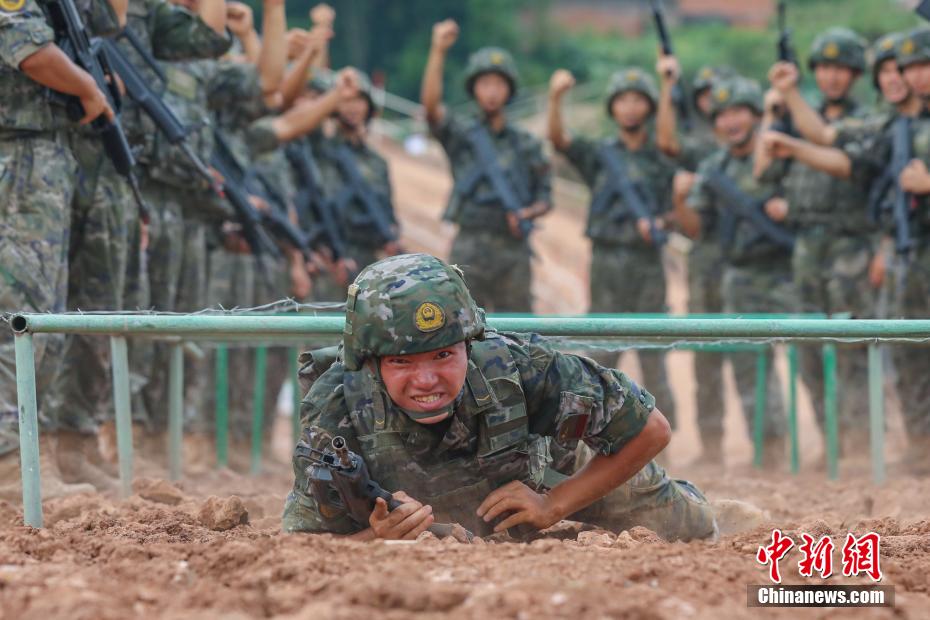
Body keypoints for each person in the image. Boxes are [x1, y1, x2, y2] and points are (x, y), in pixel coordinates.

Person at [282, 253, 717, 542]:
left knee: (694, 527)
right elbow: (302, 543)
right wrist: (377, 538)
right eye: (402, 362)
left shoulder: (519, 364)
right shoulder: (336, 404)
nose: (427, 379)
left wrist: (554, 506)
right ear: (371, 362)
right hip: (444, 528)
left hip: (556, 473)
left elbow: (651, 429)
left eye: (443, 354)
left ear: (470, 346)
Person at [762, 28, 930, 472]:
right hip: (869, 251)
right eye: (896, 70)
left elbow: (842, 157)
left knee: (864, 350)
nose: (903, 78)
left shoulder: (892, 124)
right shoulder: (891, 126)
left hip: (866, 249)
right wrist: (786, 120)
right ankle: (860, 444)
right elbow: (828, 146)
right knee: (881, 352)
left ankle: (868, 443)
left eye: (911, 68)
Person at [0, 0, 118, 499]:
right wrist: (87, 85)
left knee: (43, 323)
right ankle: (8, 465)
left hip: (46, 159)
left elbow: (113, 21)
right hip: (17, 156)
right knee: (15, 315)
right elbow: (26, 48)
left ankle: (28, 457)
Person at [754, 28, 875, 456]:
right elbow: (761, 171)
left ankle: (861, 441)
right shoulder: (794, 118)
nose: (831, 77)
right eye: (823, 68)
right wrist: (772, 113)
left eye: (840, 68)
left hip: (850, 249)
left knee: (851, 348)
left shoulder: (865, 121)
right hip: (806, 250)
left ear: (856, 73)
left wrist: (790, 106)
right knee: (808, 349)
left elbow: (831, 146)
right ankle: (833, 441)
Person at [547, 66, 677, 433]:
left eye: (638, 100)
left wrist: (662, 224)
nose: (631, 107)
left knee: (653, 354)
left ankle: (663, 438)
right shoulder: (600, 155)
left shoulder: (660, 155)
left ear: (649, 107)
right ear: (613, 108)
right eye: (623, 100)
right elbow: (559, 140)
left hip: (647, 262)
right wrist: (556, 98)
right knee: (603, 352)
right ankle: (595, 436)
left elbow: (678, 209)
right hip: (607, 260)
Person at [679, 77, 796, 467]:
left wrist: (786, 206)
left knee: (810, 357)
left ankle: (836, 444)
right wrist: (681, 199)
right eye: (723, 115)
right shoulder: (713, 168)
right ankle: (766, 449)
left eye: (739, 112)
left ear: (756, 115)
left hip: (787, 269)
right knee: (749, 364)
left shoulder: (780, 155)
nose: (731, 121)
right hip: (739, 274)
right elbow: (697, 228)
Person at [421, 19, 552, 312]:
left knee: (517, 334)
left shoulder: (526, 143)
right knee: (462, 327)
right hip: (469, 241)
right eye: (484, 83)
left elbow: (545, 197)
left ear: (509, 89)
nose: (491, 91)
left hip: (512, 247)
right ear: (474, 88)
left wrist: (527, 213)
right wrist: (438, 51)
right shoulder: (462, 136)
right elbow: (431, 109)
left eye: (499, 84)